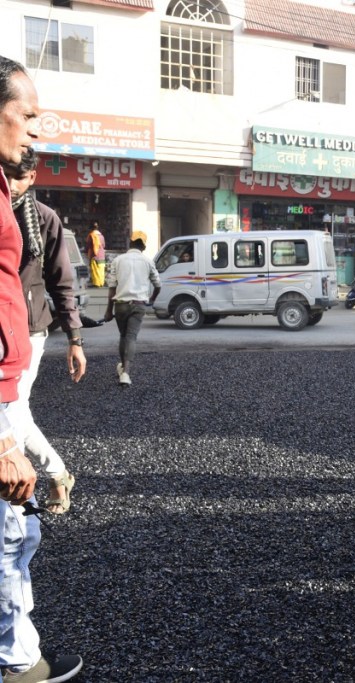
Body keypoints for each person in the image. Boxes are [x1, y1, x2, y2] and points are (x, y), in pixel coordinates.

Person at [0, 54, 83, 683]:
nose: (36, 127)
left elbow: (62, 283)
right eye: (26, 114)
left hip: (23, 356)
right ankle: (19, 664)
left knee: (15, 536)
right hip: (4, 384)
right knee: (9, 539)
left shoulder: (37, 215)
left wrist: (72, 336)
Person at [2, 148, 87, 515]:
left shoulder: (45, 219)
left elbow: (62, 284)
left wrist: (75, 339)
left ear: (33, 177)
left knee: (13, 408)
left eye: (20, 176)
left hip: (30, 329)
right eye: (7, 174)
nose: (12, 183)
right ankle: (57, 473)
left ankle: (18, 506)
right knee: (13, 411)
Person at [104, 231, 161, 387]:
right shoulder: (147, 261)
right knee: (131, 337)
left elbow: (112, 288)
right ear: (143, 246)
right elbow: (158, 285)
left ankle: (123, 367)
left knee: (123, 336)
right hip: (138, 305)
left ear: (130, 243)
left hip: (120, 305)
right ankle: (126, 373)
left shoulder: (118, 260)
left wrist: (109, 310)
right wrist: (152, 299)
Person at [86, 220, 105, 287]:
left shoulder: (91, 235)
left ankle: (96, 283)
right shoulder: (102, 236)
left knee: (95, 270)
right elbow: (103, 245)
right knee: (101, 270)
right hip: (102, 256)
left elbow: (88, 246)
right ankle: (101, 283)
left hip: (94, 255)